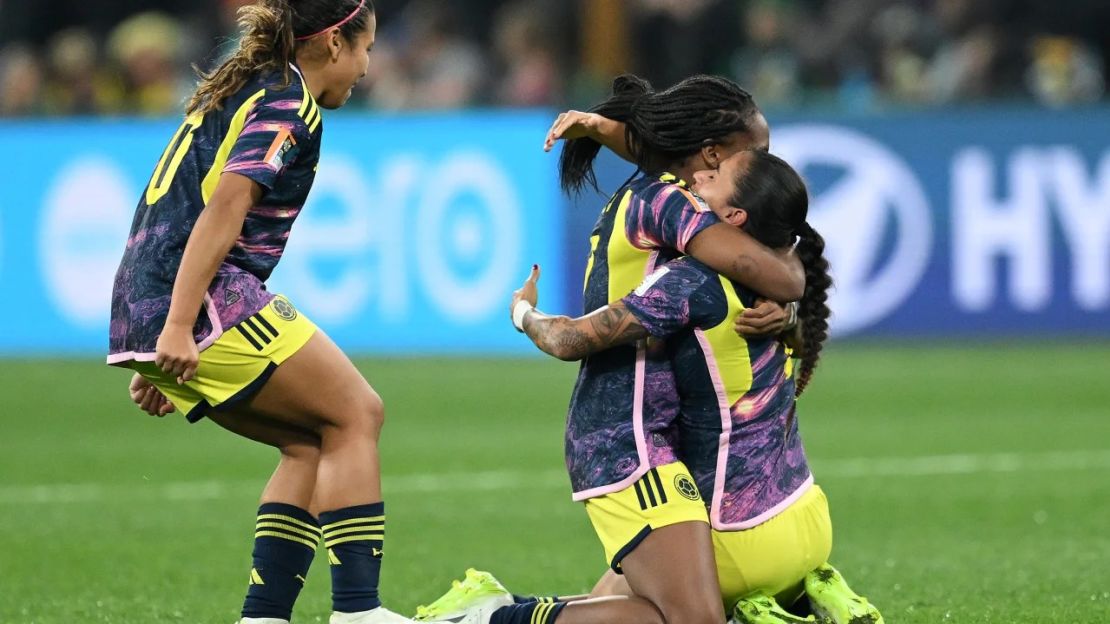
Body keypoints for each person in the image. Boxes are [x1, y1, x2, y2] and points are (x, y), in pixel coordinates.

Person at [416, 151, 881, 624]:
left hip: (737, 534)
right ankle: (794, 601)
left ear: (734, 217)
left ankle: (495, 617)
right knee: (614, 587)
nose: (700, 175)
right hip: (807, 519)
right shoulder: (782, 288)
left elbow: (568, 340)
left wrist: (521, 311)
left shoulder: (691, 281)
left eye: (715, 176)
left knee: (664, 615)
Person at [108, 2, 410, 624]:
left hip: (156, 294)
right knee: (357, 413)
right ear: (332, 43)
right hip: (201, 297)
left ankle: (264, 617)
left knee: (309, 441)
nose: (366, 67)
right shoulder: (285, 100)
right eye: (366, 49)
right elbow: (225, 206)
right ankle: (359, 612)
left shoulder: (245, 86)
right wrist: (175, 324)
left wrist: (158, 329)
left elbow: (177, 202)